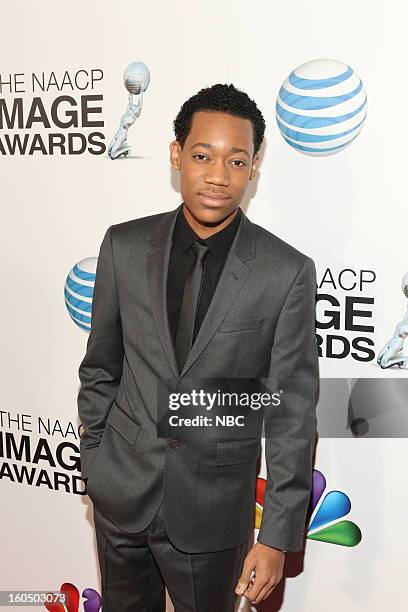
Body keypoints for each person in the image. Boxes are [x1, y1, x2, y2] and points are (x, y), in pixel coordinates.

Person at [77, 83, 320, 611]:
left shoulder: (286, 272)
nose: (217, 176)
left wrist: (277, 535)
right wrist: (96, 463)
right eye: (202, 156)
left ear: (255, 166)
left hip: (212, 511)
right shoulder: (123, 245)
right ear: (175, 155)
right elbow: (100, 367)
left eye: (236, 160)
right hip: (121, 495)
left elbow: (291, 415)